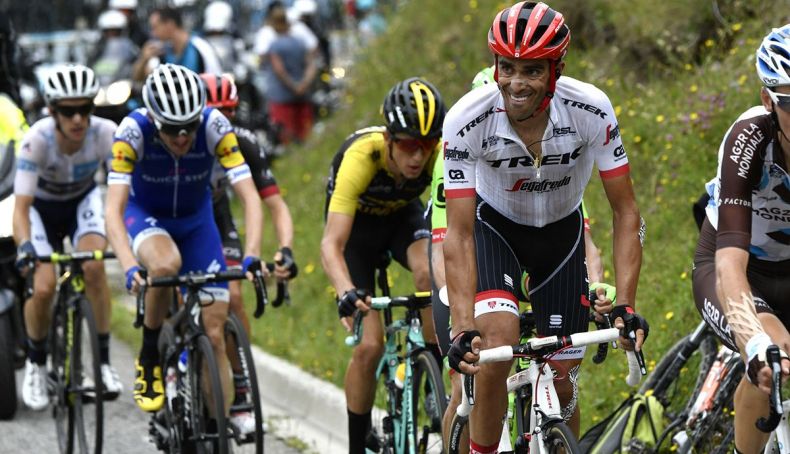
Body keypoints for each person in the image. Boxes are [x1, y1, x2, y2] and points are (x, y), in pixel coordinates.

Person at [441, 3, 648, 452]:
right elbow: (457, 233)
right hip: (495, 231)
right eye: (507, 68)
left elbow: (626, 212)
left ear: (557, 70)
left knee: (563, 377)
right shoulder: (466, 119)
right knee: (496, 344)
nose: (516, 83)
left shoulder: (590, 109)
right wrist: (462, 327)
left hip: (561, 237)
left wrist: (626, 305)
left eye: (532, 70)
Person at [105, 64, 263, 414]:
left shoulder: (214, 125)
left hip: (196, 222)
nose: (182, 138)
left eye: (189, 127)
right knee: (165, 264)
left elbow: (250, 198)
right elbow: (113, 210)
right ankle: (149, 355)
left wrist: (252, 256)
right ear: (153, 118)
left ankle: (219, 426)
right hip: (145, 214)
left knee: (215, 332)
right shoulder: (132, 130)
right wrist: (129, 266)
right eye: (171, 129)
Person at [320, 77, 445, 453]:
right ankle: (356, 444)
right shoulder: (362, 156)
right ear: (388, 138)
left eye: (427, 144)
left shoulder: (439, 155)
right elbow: (331, 244)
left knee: (429, 273)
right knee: (370, 345)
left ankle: (432, 376)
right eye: (407, 144)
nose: (418, 157)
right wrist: (345, 291)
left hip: (401, 220)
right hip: (355, 235)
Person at [692, 24, 790, 454]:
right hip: (736, 269)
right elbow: (730, 263)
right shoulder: (749, 139)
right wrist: (753, 341)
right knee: (772, 359)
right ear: (768, 100)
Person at [12, 64, 123, 410]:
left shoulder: (106, 133)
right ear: (52, 111)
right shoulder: (36, 141)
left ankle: (103, 364)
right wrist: (26, 247)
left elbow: (121, 195)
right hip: (40, 210)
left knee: (94, 268)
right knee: (44, 286)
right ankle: (36, 362)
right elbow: (20, 208)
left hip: (81, 203)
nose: (78, 119)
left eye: (85, 109)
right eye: (68, 111)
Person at [200, 72, 298, 433]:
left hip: (217, 217)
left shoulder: (243, 142)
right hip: (181, 218)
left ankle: (241, 390)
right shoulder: (183, 140)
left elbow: (274, 205)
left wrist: (284, 250)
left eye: (228, 112)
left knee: (234, 294)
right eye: (214, 112)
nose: (221, 121)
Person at [256, 1, 319, 145]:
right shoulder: (299, 42)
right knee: (306, 136)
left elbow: (279, 70)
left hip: (281, 97)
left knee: (287, 139)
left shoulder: (273, 45)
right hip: (303, 96)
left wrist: (293, 86)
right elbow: (311, 63)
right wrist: (304, 84)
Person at [131, 7, 222, 82]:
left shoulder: (200, 46)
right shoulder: (161, 51)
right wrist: (144, 59)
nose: (153, 33)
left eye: (155, 27)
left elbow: (216, 79)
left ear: (169, 24)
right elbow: (138, 79)